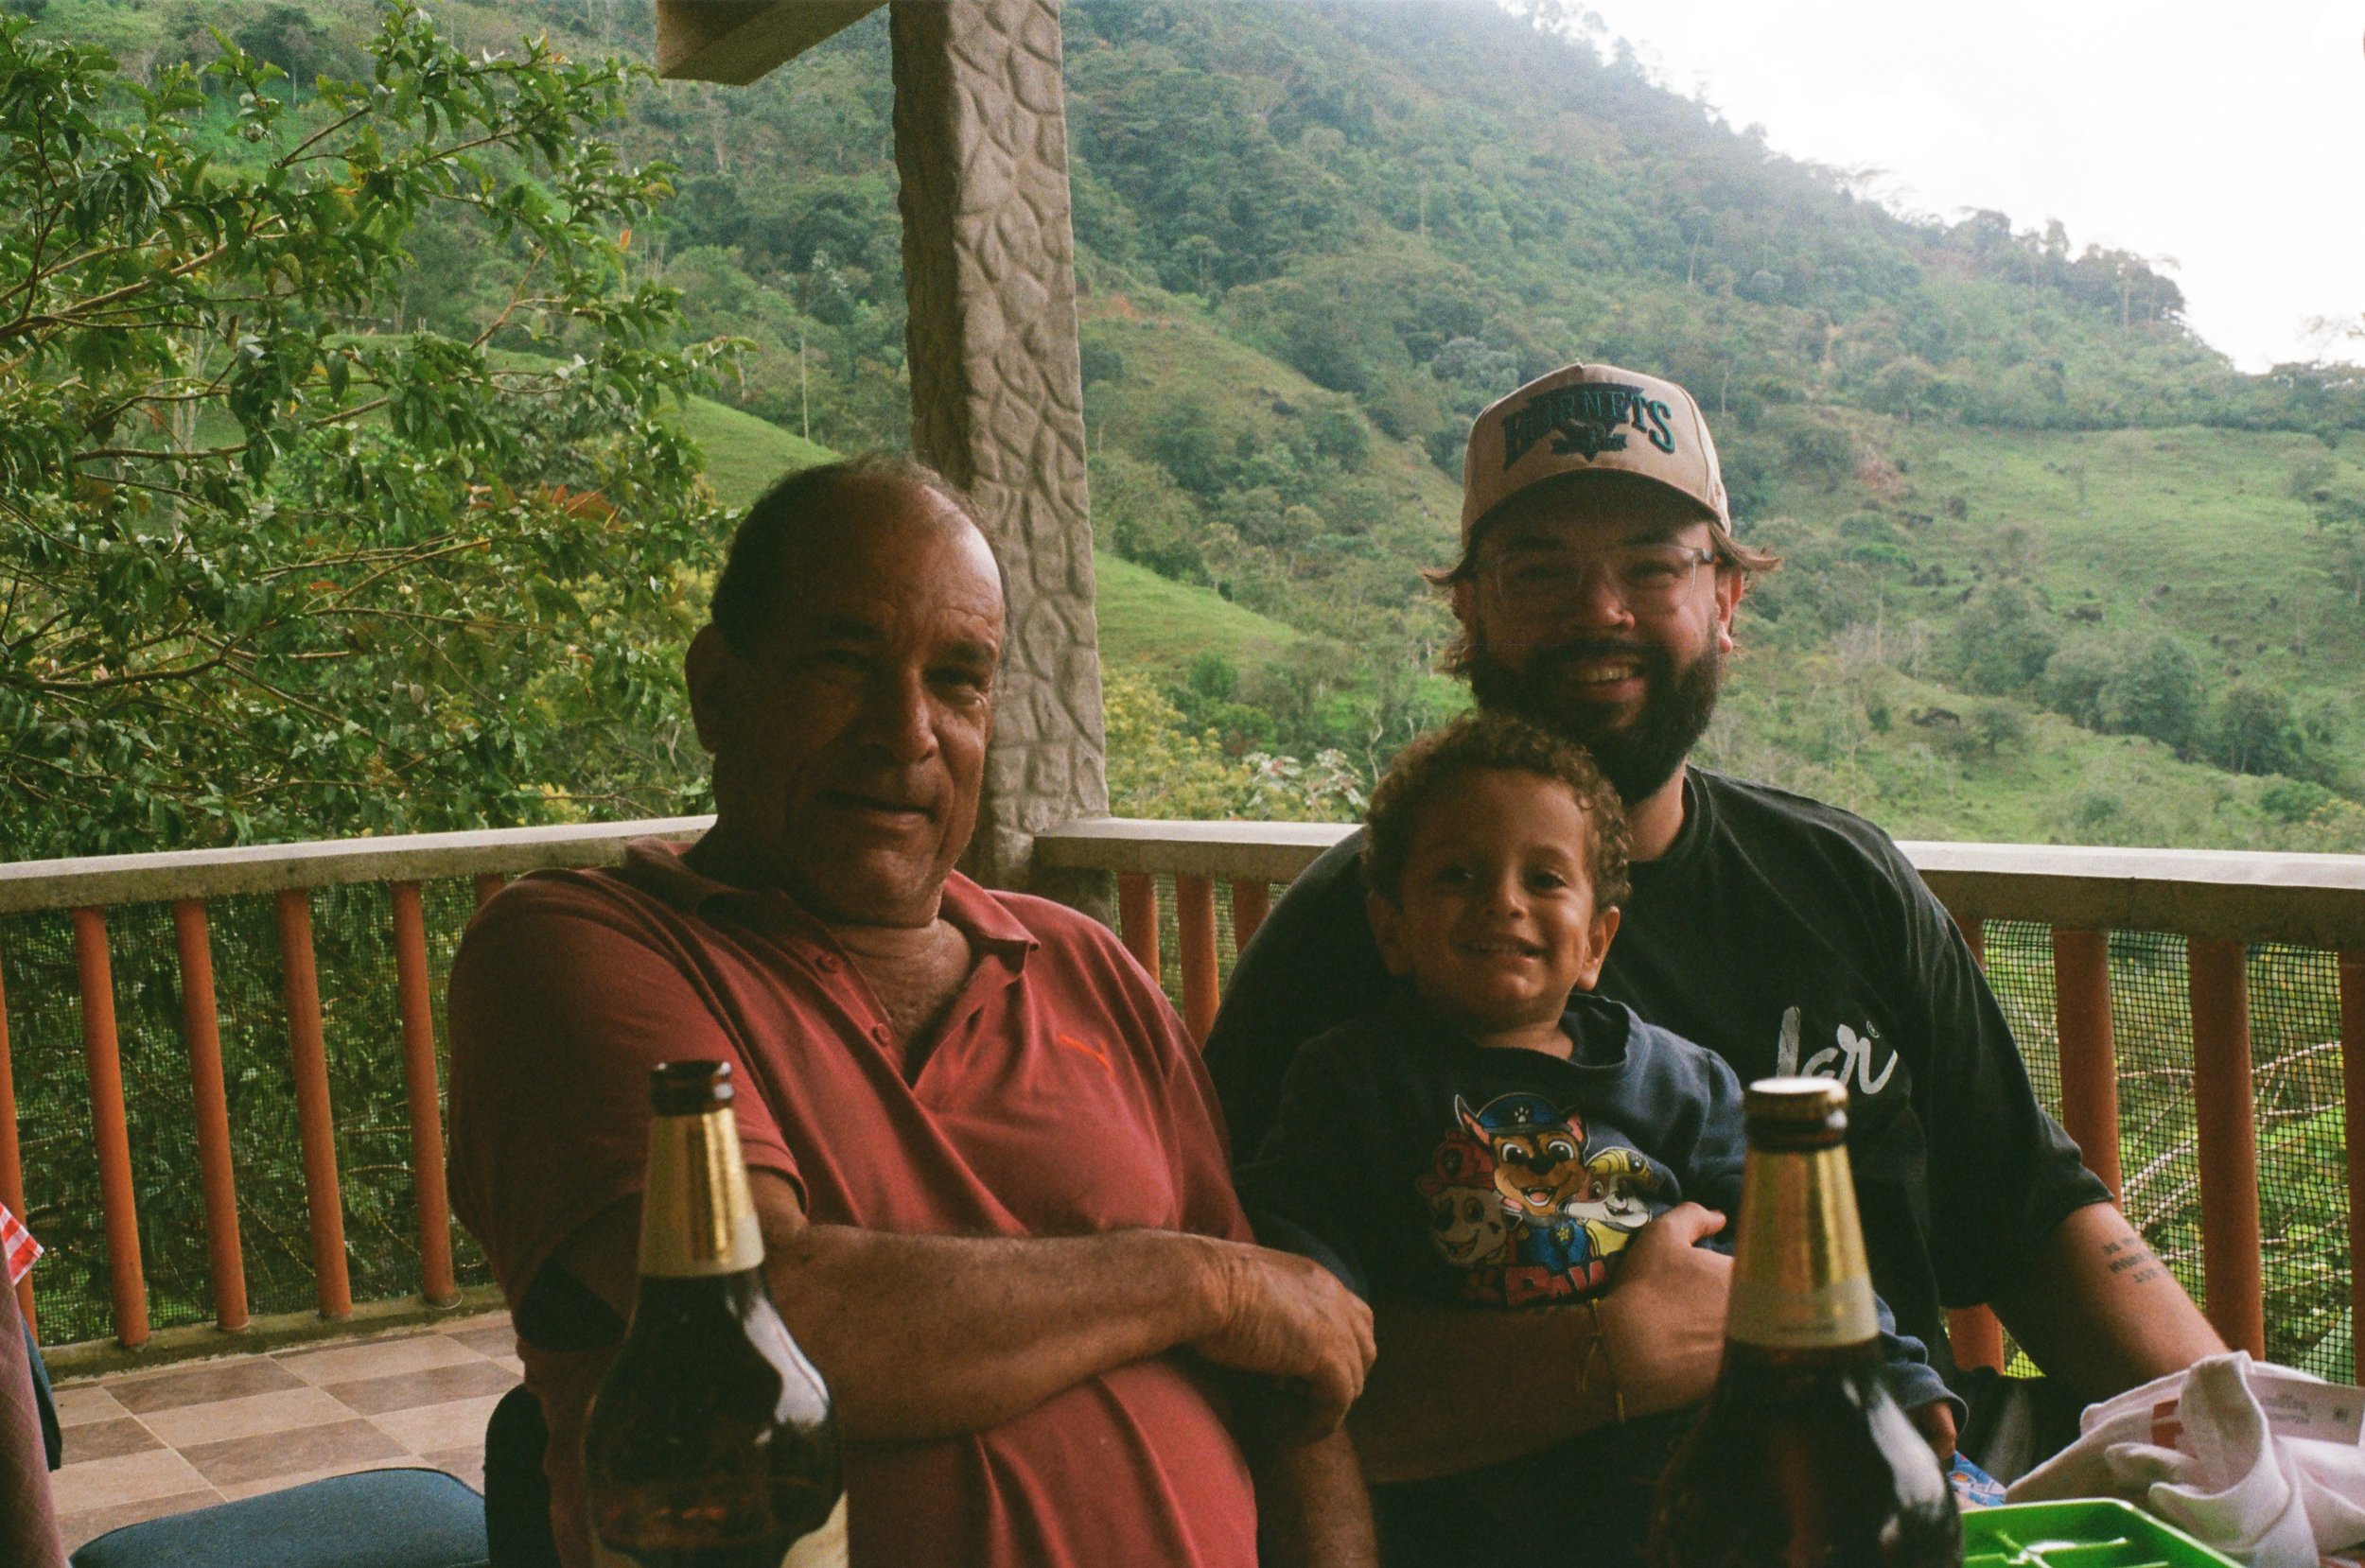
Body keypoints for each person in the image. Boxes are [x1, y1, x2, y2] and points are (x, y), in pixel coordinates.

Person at [1203, 361, 2224, 1490]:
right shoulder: (1349, 938)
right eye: (1541, 570)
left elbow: (2036, 1218)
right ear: (1471, 611)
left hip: (1902, 1477)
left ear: (1725, 602)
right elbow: (1253, 1361)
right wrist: (1602, 1355)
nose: (1601, 611)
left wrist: (2255, 1450)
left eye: (1651, 566)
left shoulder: (1843, 881)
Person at [447, 456, 1376, 1568]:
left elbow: (1285, 1378)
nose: (905, 730)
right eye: (842, 663)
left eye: (957, 678)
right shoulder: (587, 947)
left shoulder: (1087, 966)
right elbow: (771, 1322)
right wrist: (1198, 1279)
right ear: (717, 689)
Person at [1235, 711, 1958, 1564]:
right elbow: (1303, 1253)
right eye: (1459, 874)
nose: (1503, 900)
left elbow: (1791, 1242)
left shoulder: (1681, 1082)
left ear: (1596, 942)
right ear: (1392, 930)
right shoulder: (1351, 1081)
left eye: (1544, 879)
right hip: (1457, 1504)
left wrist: (1898, 1379)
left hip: (1664, 1484)